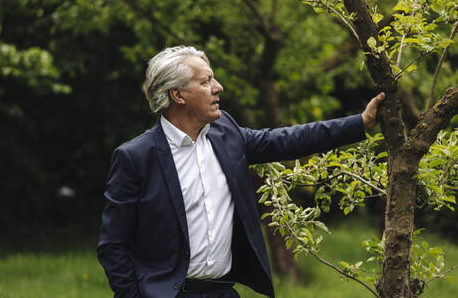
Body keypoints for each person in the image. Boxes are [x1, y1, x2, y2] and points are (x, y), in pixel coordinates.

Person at [97, 46, 385, 298]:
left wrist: (360, 122)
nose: (218, 86)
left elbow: (289, 140)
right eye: (206, 80)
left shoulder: (227, 134)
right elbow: (113, 246)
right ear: (178, 94)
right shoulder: (135, 157)